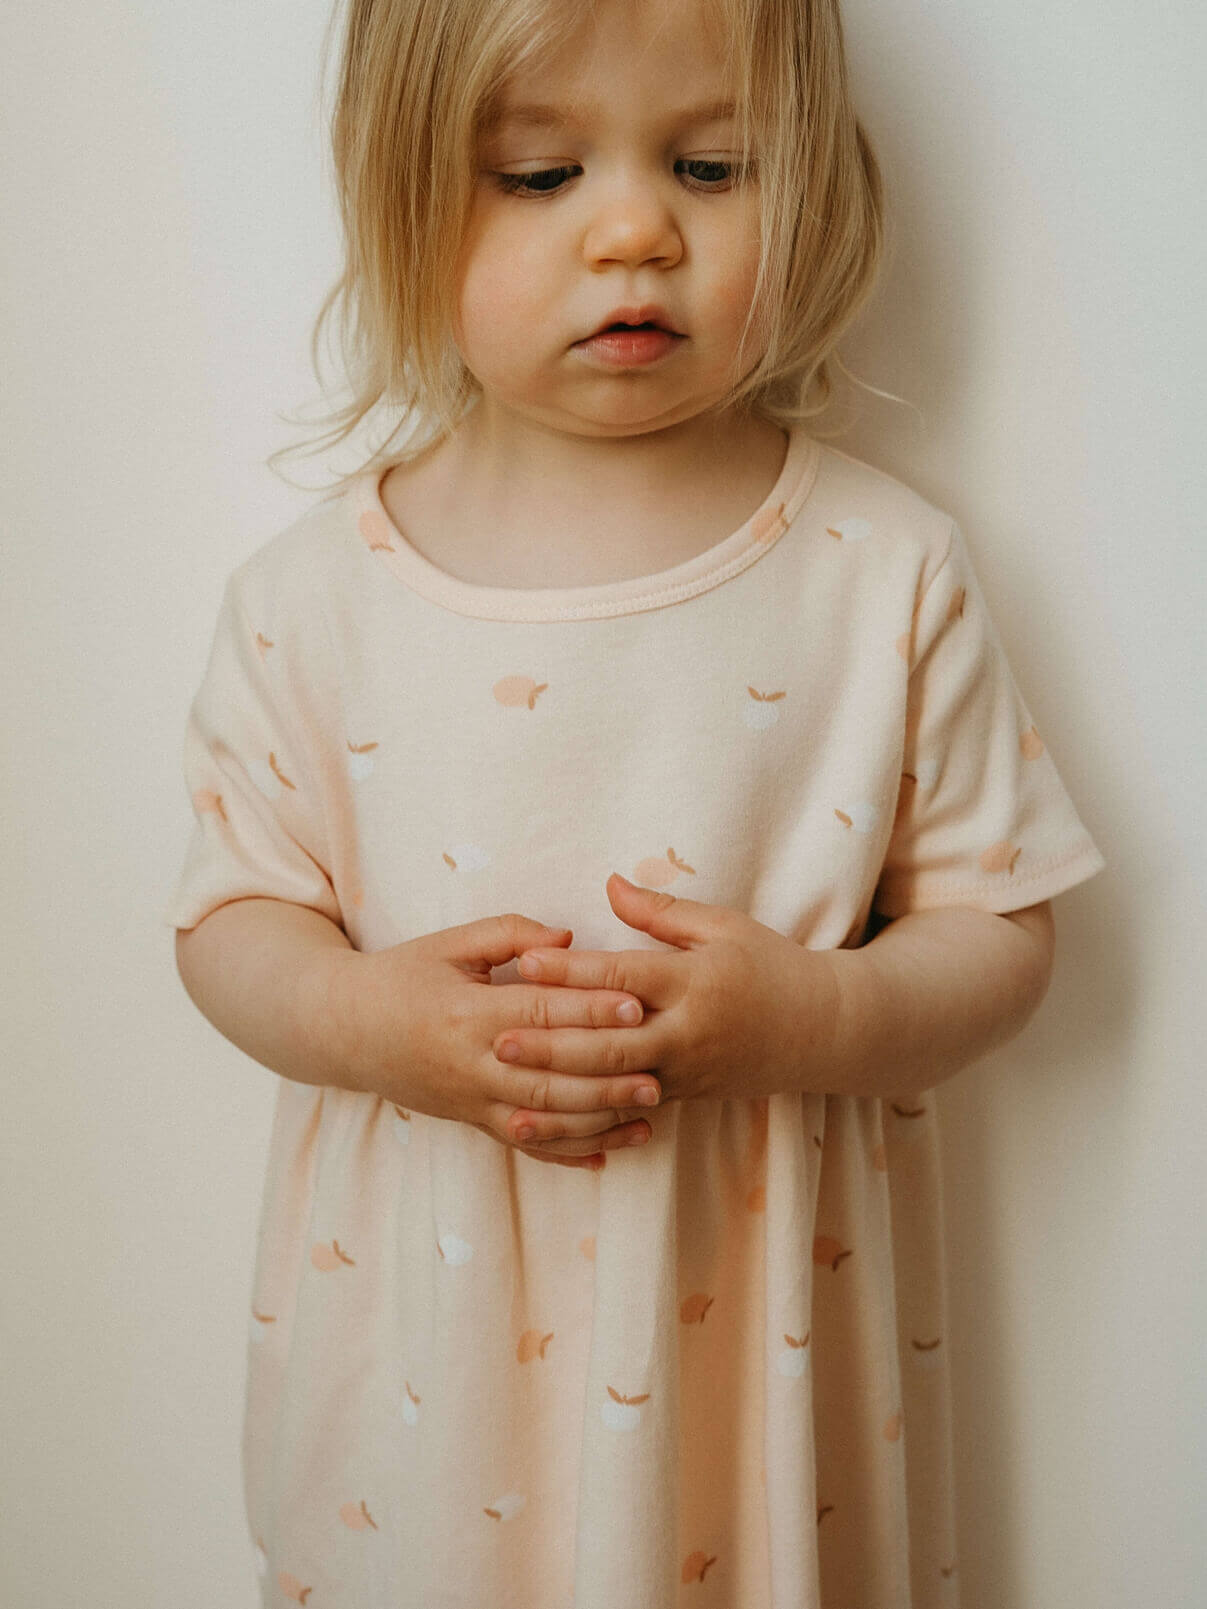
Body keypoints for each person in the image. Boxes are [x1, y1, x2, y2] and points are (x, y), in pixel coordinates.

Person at [164, 0, 1106, 1602]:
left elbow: (1001, 930)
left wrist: (811, 1011)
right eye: (538, 173)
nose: (631, 230)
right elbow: (227, 916)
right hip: (423, 1419)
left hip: (761, 1417)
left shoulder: (882, 576)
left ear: (812, 179)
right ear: (403, 190)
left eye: (714, 164)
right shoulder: (307, 603)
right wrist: (368, 1018)